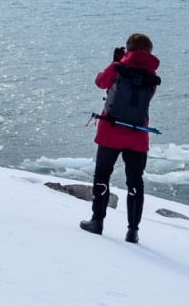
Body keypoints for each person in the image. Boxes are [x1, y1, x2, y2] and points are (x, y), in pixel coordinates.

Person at [79, 33, 162, 244]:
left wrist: (116, 62)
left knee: (102, 176)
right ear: (149, 52)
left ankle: (97, 221)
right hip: (138, 134)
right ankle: (132, 231)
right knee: (135, 182)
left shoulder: (117, 68)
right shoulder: (152, 74)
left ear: (128, 49)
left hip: (111, 131)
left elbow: (100, 82)